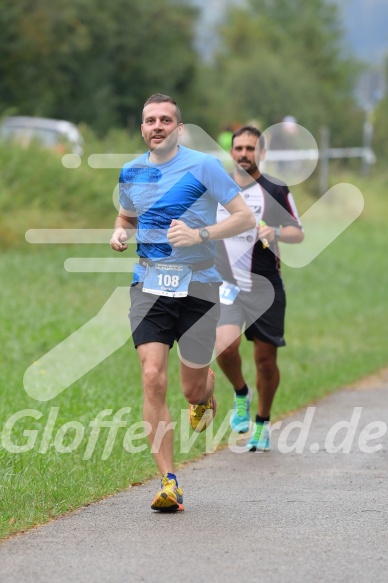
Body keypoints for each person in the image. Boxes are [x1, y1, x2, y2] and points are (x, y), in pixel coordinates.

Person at [110, 94, 255, 511]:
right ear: (142, 128)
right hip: (149, 284)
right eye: (150, 120)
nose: (157, 126)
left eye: (165, 120)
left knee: (192, 388)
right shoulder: (132, 172)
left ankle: (206, 398)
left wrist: (202, 234)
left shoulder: (205, 166)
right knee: (152, 374)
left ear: (179, 127)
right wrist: (119, 233)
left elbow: (243, 217)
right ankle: (169, 481)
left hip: (199, 287)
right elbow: (127, 217)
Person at [214, 125, 304, 451]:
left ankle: (263, 423)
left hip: (265, 287)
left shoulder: (276, 191)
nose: (243, 154)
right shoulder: (218, 187)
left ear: (261, 154)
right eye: (238, 148)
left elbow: (298, 232)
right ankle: (241, 393)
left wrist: (275, 234)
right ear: (231, 152)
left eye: (250, 149)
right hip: (227, 285)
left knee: (265, 361)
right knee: (224, 348)